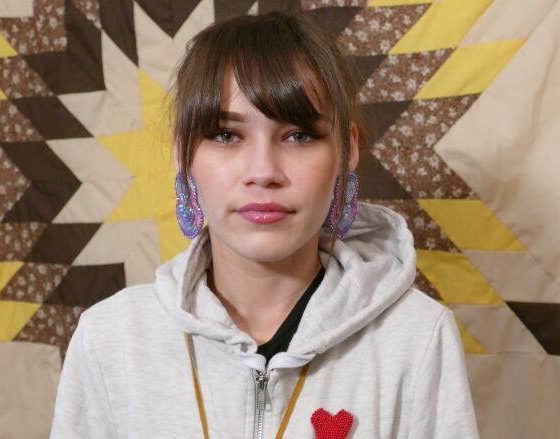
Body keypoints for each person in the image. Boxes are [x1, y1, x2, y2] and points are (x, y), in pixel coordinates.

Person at [50, 11, 478, 439]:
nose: (263, 171)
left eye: (298, 135)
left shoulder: (418, 336)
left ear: (346, 151)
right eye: (225, 135)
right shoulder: (110, 338)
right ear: (184, 153)